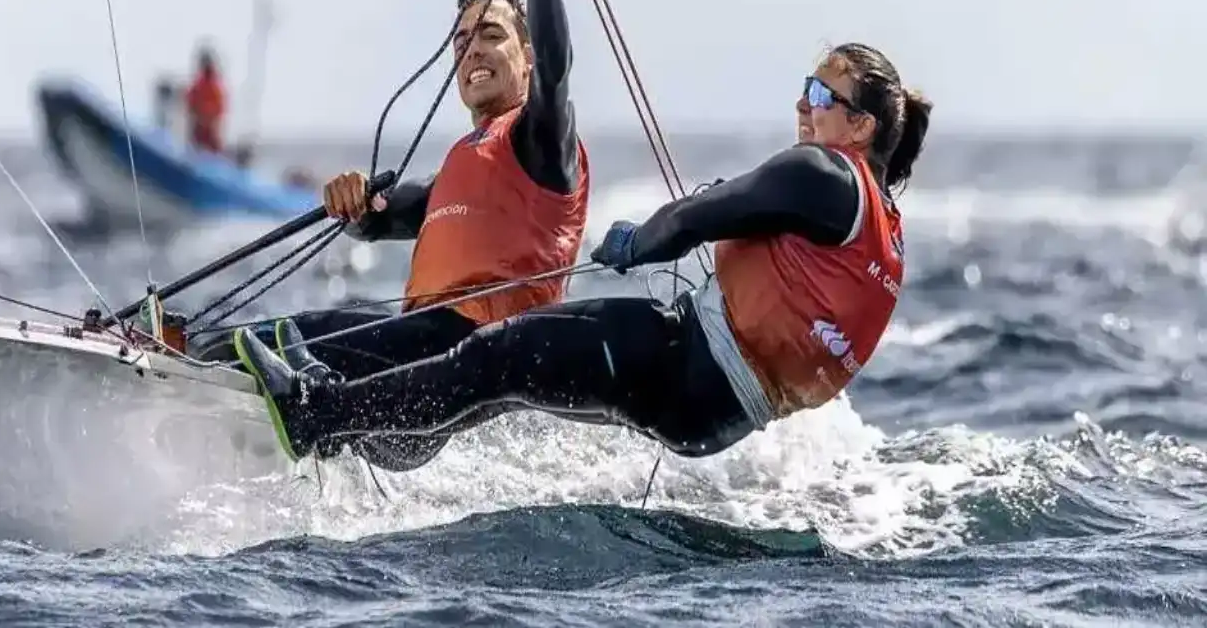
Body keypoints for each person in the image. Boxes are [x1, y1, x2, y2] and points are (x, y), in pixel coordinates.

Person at [231, 43, 932, 464]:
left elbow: (694, 217)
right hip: (721, 418)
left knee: (496, 356)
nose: (803, 104)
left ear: (861, 124)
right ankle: (375, 431)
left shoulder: (822, 172)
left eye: (820, 92)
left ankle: (316, 415)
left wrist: (639, 241)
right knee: (502, 379)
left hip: (689, 365)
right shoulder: (882, 222)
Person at [205, 0, 590, 471]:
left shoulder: (545, 137)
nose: (472, 51)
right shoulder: (466, 163)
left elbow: (559, 62)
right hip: (412, 375)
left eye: (490, 34)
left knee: (285, 339)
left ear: (527, 57)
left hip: (471, 368)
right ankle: (180, 363)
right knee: (281, 333)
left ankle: (194, 377)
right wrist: (354, 200)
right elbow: (383, 217)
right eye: (460, 41)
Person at [185, 45, 227, 155]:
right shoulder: (198, 85)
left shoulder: (216, 87)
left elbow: (219, 109)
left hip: (209, 133)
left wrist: (209, 118)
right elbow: (190, 104)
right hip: (199, 132)